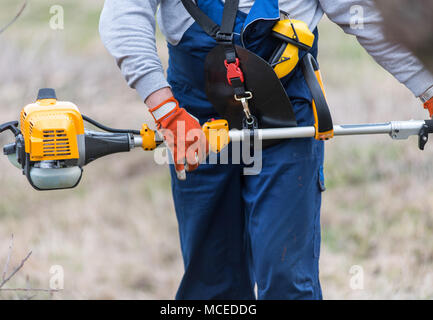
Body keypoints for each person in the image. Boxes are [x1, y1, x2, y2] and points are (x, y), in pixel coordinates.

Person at [99, 0, 433, 299]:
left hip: (286, 107)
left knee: (286, 277)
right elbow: (123, 14)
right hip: (194, 112)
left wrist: (429, 90)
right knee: (212, 282)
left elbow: (366, 16)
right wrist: (166, 110)